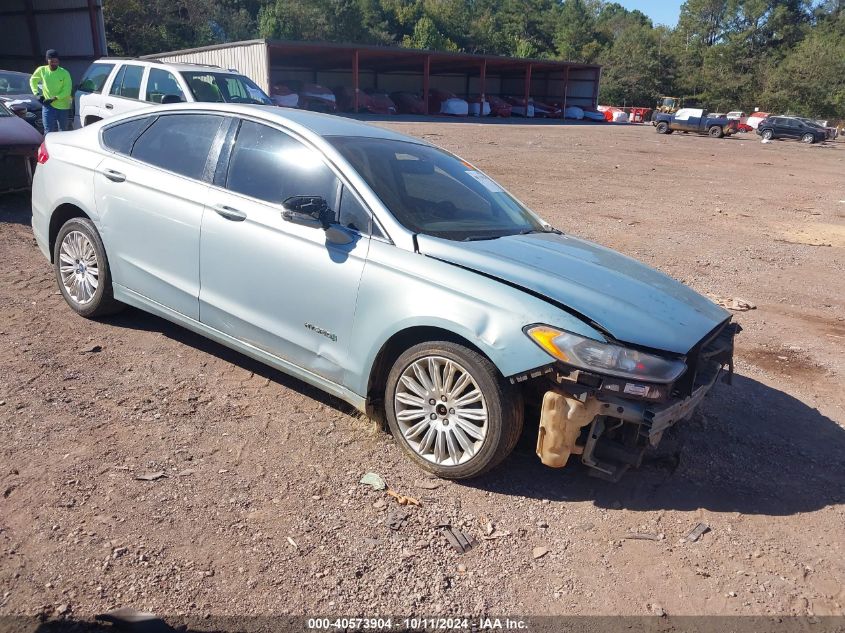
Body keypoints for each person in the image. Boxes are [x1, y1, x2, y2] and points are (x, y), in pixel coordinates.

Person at [29, 49, 72, 132]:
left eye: (56, 61)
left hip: (63, 106)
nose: (54, 64)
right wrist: (36, 94)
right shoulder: (42, 70)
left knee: (63, 131)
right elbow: (33, 80)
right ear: (47, 60)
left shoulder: (64, 73)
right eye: (52, 61)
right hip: (48, 106)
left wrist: (54, 98)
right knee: (48, 130)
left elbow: (67, 90)